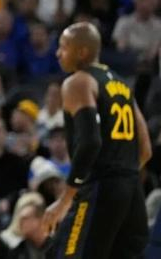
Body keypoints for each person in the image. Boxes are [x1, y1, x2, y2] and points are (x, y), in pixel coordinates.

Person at [42, 22, 152, 258]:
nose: (58, 53)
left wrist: (65, 199)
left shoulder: (78, 81)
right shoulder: (122, 85)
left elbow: (90, 142)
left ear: (82, 52)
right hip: (131, 190)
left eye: (64, 47)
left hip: (101, 186)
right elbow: (145, 149)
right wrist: (123, 178)